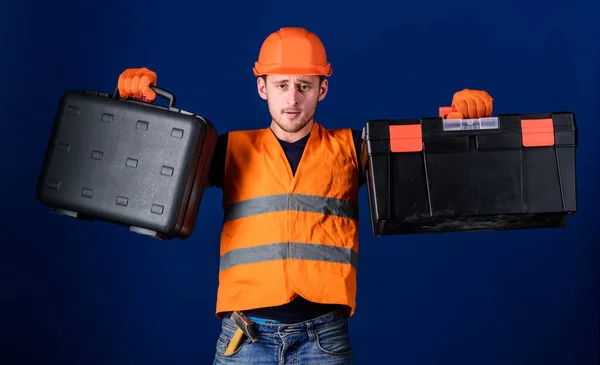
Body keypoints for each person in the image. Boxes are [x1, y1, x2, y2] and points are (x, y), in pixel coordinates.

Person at [116, 26, 494, 364]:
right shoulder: (228, 150)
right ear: (262, 87)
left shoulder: (352, 148)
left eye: (304, 86)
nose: (292, 98)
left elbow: (427, 170)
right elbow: (145, 164)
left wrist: (462, 124)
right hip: (245, 339)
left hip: (323, 339)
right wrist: (135, 108)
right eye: (281, 85)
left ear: (322, 89)